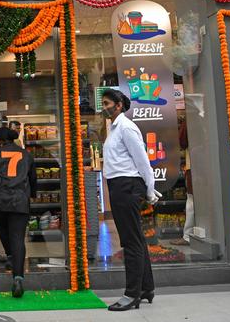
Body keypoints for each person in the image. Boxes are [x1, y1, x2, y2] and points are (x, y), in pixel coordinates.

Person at [101, 89, 161, 311]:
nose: (104, 107)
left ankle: (131, 295)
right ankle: (146, 288)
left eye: (107, 103)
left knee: (130, 241)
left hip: (126, 186)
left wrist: (150, 189)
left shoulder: (126, 128)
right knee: (136, 238)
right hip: (120, 186)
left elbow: (143, 160)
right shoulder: (114, 128)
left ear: (118, 105)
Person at [0, 126, 37, 298]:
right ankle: (18, 277)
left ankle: (10, 256)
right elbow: (33, 178)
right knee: (18, 237)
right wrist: (33, 195)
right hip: (19, 199)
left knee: (3, 230)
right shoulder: (26, 155)